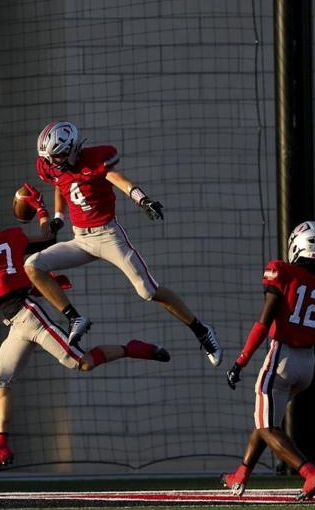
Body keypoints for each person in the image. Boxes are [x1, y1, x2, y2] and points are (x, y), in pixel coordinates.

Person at [0, 201, 170, 472]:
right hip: (17, 321)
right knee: (0, 379)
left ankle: (132, 348)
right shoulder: (11, 237)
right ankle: (0, 448)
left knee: (83, 362)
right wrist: (44, 214)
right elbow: (47, 239)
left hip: (29, 315)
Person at [23, 120, 222, 365]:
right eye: (51, 157)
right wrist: (58, 217)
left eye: (58, 155)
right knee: (33, 265)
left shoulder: (94, 161)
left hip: (108, 236)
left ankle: (202, 330)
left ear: (73, 148)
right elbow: (58, 184)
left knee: (148, 292)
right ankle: (74, 317)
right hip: (81, 239)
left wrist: (143, 200)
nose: (53, 162)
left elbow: (118, 179)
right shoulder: (53, 167)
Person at [223, 221, 315, 500]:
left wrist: (241, 361)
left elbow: (263, 324)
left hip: (281, 358)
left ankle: (310, 473)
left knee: (267, 425)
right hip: (307, 365)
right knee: (266, 420)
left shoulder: (282, 273)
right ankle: (241, 474)